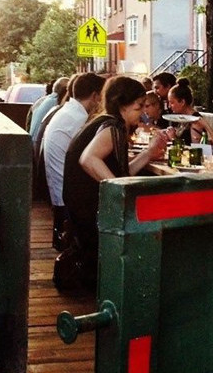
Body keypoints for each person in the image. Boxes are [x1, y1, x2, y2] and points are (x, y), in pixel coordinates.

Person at [63, 77, 168, 285]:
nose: (143, 113)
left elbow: (122, 170)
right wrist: (120, 192)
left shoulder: (104, 121)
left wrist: (148, 154)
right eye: (138, 107)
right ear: (122, 105)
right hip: (89, 210)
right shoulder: (113, 127)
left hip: (78, 206)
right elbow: (88, 159)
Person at [43, 72, 106, 250]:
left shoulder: (68, 111)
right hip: (69, 197)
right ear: (95, 96)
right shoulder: (78, 119)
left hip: (59, 190)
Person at [29, 76, 69, 148]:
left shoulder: (42, 100)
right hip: (37, 150)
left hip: (31, 145)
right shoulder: (57, 104)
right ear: (66, 91)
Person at [166, 78, 202, 145]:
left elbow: (196, 148)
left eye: (172, 103)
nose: (169, 106)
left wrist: (173, 138)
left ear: (182, 102)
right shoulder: (183, 117)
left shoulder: (195, 120)